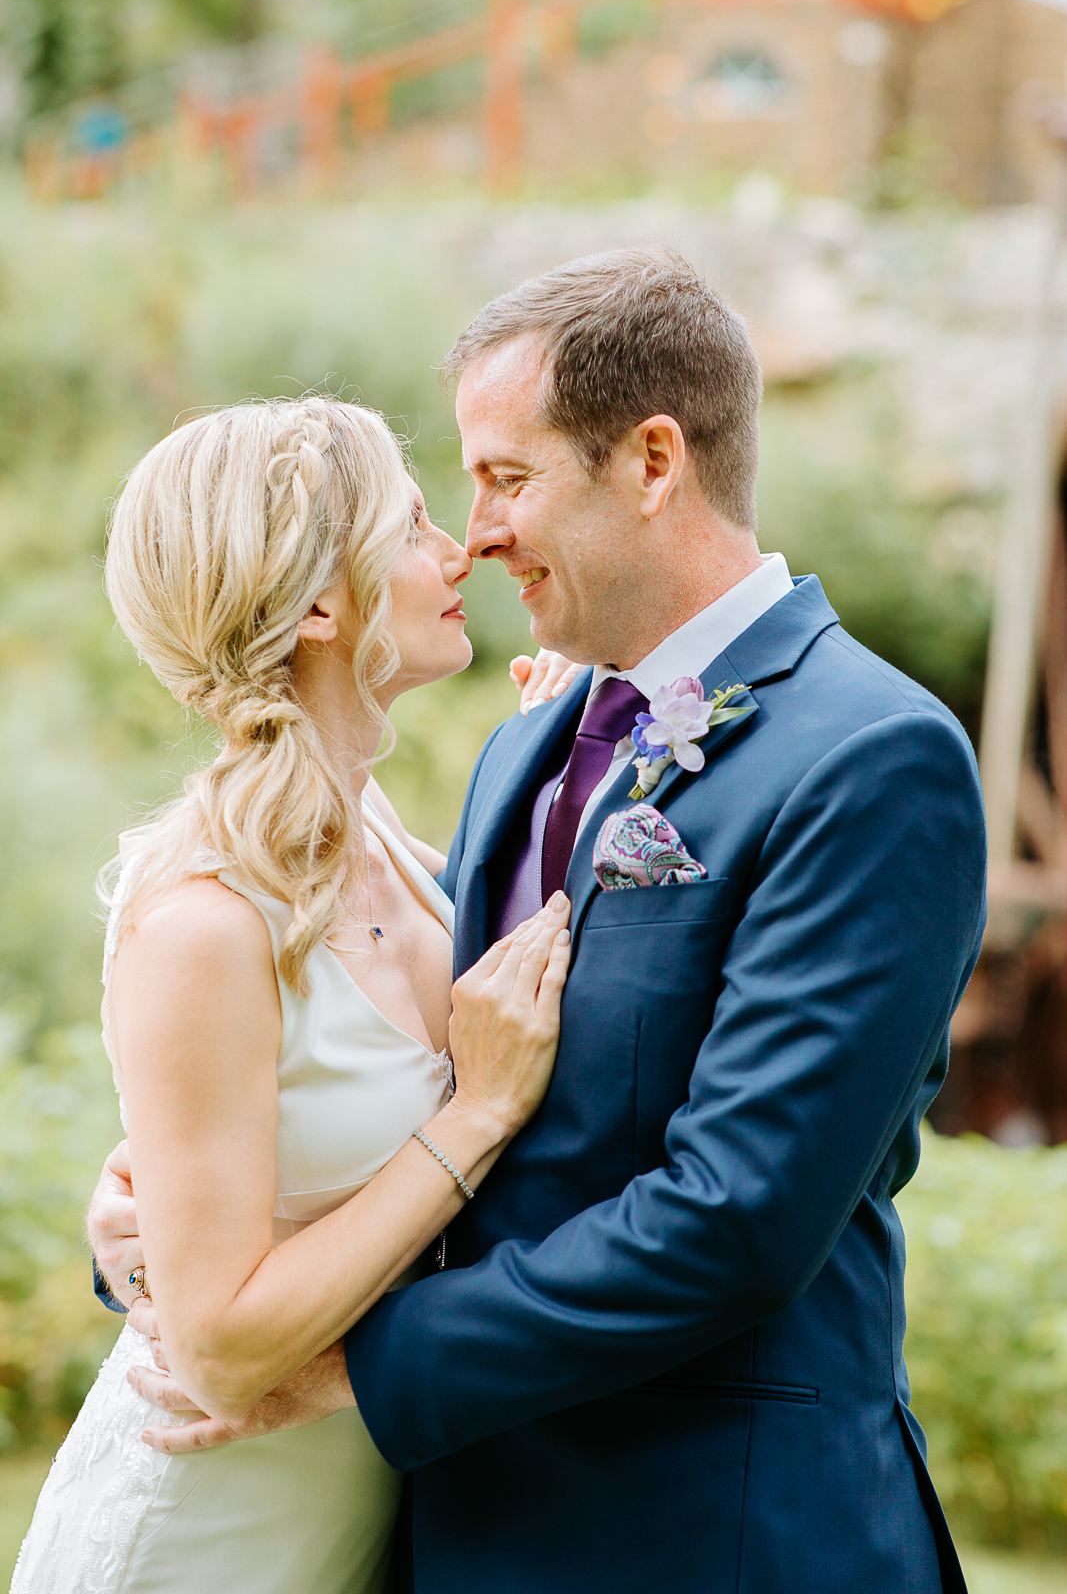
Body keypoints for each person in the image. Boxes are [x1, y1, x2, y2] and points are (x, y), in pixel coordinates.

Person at [89, 250, 986, 1594]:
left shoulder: (867, 757)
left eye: (505, 478)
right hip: (452, 1531)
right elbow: (423, 1075)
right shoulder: (530, 745)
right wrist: (179, 1230)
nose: (476, 535)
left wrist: (336, 1369)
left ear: (649, 460)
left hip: (712, 1534)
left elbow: (736, 1216)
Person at [11, 396, 575, 1594]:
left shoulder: (374, 834)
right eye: (412, 525)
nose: (456, 549)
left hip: (359, 1517)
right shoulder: (205, 921)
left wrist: (560, 751)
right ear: (320, 605)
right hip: (204, 1538)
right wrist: (469, 1119)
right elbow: (215, 1351)